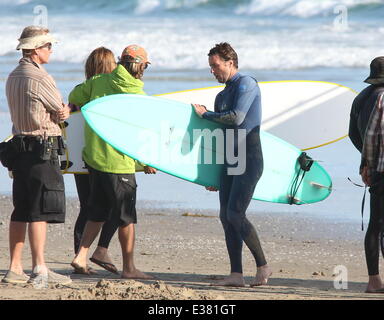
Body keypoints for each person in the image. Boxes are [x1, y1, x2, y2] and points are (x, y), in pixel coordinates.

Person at [69, 44, 156, 279]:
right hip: (119, 164)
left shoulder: (98, 82)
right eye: (145, 65)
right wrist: (145, 161)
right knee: (127, 218)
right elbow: (139, 136)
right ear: (138, 66)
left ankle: (81, 255)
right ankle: (129, 268)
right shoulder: (137, 96)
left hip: (95, 160)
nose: (145, 70)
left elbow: (74, 97)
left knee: (96, 211)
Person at [193, 42, 272, 287]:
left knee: (235, 214)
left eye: (215, 66)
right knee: (225, 217)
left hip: (249, 156)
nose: (212, 71)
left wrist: (205, 114)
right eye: (210, 67)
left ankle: (262, 266)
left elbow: (236, 118)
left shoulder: (247, 83)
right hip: (230, 157)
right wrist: (215, 174)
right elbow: (222, 134)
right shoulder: (221, 95)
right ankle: (236, 274)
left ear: (230, 63)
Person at [2, 26, 71, 285]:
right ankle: (40, 268)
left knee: (21, 208)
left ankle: (14, 267)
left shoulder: (13, 75)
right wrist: (64, 110)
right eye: (48, 46)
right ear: (36, 50)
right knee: (40, 210)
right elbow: (60, 111)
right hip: (42, 147)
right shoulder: (40, 78)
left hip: (18, 146)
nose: (51, 50)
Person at [70, 47, 120, 275]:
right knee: (115, 207)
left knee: (87, 208)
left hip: (78, 158)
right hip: (103, 157)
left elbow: (69, 116)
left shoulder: (79, 91)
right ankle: (100, 249)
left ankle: (79, 256)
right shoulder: (110, 93)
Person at [351, 56, 384, 293]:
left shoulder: (361, 97)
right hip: (378, 167)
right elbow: (372, 136)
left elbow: (354, 134)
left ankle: (374, 280)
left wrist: (365, 163)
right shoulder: (382, 98)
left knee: (376, 224)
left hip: (373, 168)